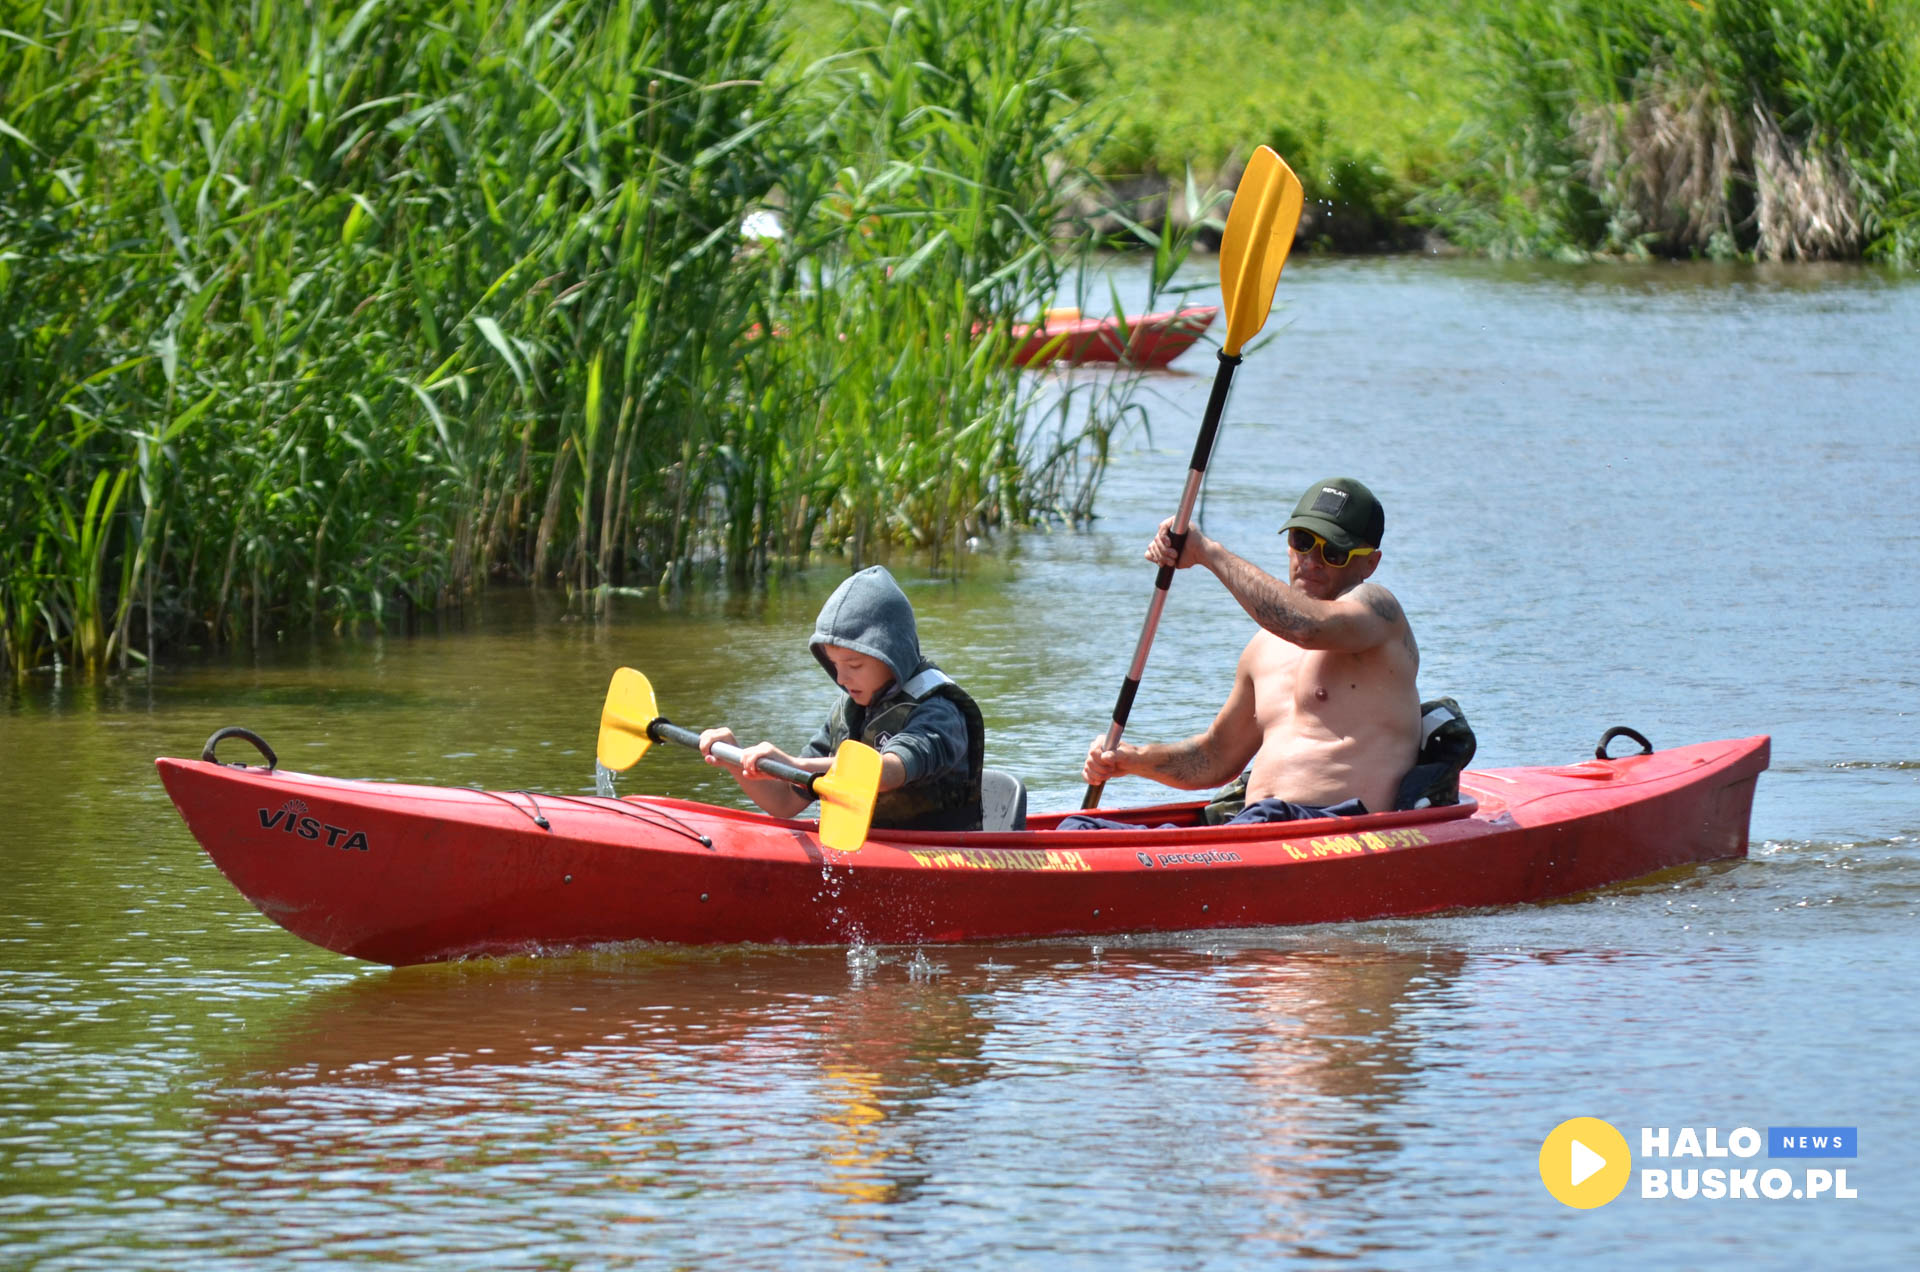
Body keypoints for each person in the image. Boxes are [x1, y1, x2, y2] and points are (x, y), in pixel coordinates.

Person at [1078, 476, 1420, 824]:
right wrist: (1133, 759)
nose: (1312, 560)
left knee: (1264, 816)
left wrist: (1208, 553)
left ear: (1370, 563)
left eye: (1333, 552)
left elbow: (1307, 626)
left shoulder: (1378, 612)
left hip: (1333, 830)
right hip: (1253, 831)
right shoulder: (1264, 646)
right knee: (1078, 828)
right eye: (1303, 541)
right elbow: (1214, 756)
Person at [699, 565, 986, 831]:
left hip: (941, 854)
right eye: (835, 665)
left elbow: (888, 771)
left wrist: (797, 766)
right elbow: (785, 802)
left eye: (855, 665)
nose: (841, 678)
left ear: (891, 655)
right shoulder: (849, 712)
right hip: (869, 851)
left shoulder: (939, 712)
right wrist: (734, 758)